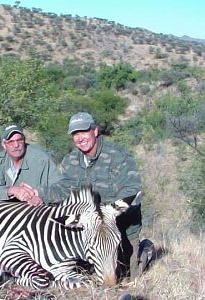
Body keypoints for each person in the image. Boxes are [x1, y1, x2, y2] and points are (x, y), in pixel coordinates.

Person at [50, 112, 143, 280]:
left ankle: (144, 253)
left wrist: (106, 213)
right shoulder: (70, 160)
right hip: (90, 232)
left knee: (127, 278)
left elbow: (132, 190)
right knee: (83, 277)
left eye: (84, 132)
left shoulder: (119, 155)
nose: (80, 138)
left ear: (95, 131)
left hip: (120, 229)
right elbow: (63, 188)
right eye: (75, 134)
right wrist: (37, 194)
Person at [0, 124, 61, 206]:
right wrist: (12, 190)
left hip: (38, 211)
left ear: (24, 140)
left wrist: (40, 196)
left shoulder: (41, 159)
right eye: (11, 142)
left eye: (19, 140)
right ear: (4, 145)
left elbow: (59, 188)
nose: (16, 145)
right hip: (9, 211)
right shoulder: (0, 160)